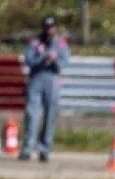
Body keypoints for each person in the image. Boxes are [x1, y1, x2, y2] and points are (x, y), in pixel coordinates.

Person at [19, 15, 70, 163]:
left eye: (51, 27)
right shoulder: (34, 42)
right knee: (31, 114)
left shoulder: (60, 43)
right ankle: (27, 148)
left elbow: (65, 61)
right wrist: (42, 57)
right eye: (46, 27)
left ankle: (44, 149)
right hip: (36, 78)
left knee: (50, 115)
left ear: (55, 28)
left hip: (52, 79)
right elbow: (28, 60)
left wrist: (55, 60)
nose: (49, 30)